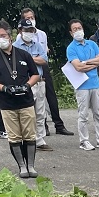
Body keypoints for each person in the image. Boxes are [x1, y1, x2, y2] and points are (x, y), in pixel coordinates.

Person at [0, 19, 41, 178]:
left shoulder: (24, 54)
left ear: (10, 36)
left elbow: (35, 74)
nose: (0, 39)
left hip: (26, 101)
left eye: (3, 35)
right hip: (6, 103)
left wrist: (28, 85)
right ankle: (21, 166)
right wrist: (4, 88)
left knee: (29, 134)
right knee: (14, 136)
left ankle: (31, 165)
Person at [19, 7, 73, 136]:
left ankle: (59, 125)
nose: (31, 20)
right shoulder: (20, 38)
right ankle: (43, 126)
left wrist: (36, 58)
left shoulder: (42, 34)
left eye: (32, 17)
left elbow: (44, 55)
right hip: (29, 70)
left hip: (42, 66)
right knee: (36, 99)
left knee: (51, 96)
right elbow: (24, 58)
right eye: (27, 18)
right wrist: (35, 58)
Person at [66, 18, 99, 151]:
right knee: (83, 115)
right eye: (75, 29)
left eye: (79, 28)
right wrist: (92, 63)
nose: (78, 31)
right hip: (82, 86)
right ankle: (84, 141)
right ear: (71, 33)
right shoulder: (71, 48)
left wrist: (85, 62)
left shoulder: (92, 44)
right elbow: (78, 67)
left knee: (98, 113)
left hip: (95, 83)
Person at [13, 18, 52, 151]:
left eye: (31, 30)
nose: (29, 33)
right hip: (25, 83)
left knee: (40, 113)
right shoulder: (15, 46)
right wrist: (34, 60)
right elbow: (17, 64)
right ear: (20, 31)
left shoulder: (37, 45)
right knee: (26, 113)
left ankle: (40, 139)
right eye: (26, 30)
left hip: (40, 82)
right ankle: (27, 138)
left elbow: (44, 60)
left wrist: (28, 59)